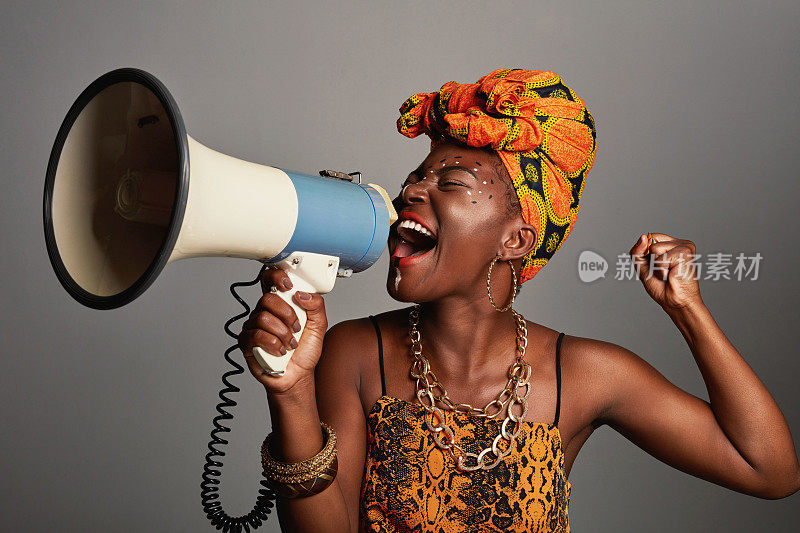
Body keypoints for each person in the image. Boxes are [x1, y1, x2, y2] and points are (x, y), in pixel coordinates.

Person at [237, 69, 800, 533]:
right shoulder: (354, 353)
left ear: (516, 239)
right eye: (416, 176)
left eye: (450, 182)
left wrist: (689, 311)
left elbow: (769, 470)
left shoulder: (583, 374)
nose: (411, 190)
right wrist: (290, 396)